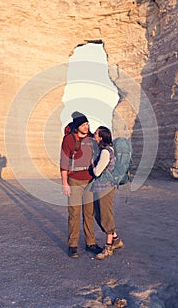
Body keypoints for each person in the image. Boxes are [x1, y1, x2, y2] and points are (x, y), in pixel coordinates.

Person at [60, 111, 102, 258]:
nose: (87, 126)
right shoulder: (68, 140)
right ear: (77, 126)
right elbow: (64, 162)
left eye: (87, 124)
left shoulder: (91, 138)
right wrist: (65, 183)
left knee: (89, 214)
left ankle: (90, 243)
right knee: (74, 213)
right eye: (84, 124)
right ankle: (72, 245)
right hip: (75, 182)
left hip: (90, 180)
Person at [91, 126, 124, 260]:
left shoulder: (105, 152)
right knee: (99, 215)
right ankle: (116, 240)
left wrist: (91, 164)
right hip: (102, 187)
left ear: (101, 137)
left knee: (105, 216)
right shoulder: (107, 150)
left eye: (96, 133)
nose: (94, 134)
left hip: (105, 187)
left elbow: (97, 172)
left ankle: (108, 247)